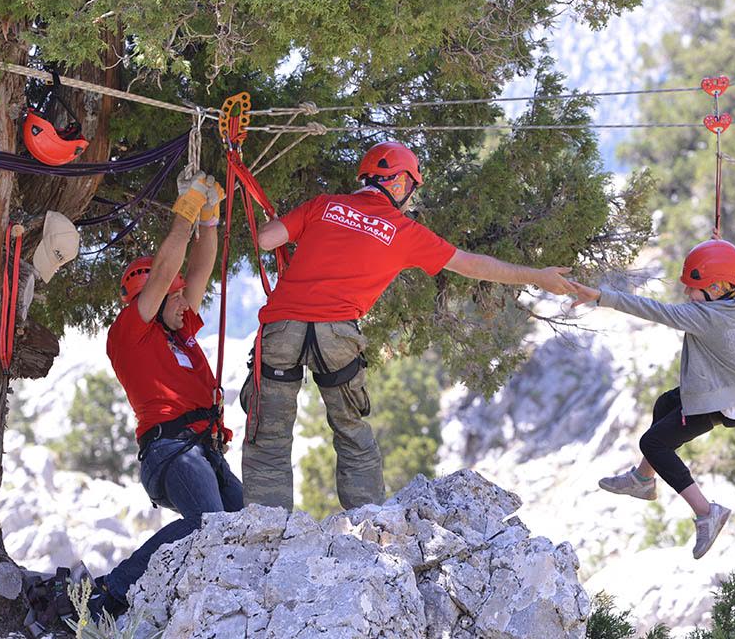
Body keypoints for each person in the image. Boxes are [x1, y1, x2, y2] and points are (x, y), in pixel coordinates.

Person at [243, 141, 578, 511]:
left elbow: (265, 239)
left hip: (280, 327)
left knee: (268, 435)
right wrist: (537, 276)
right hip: (336, 334)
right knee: (352, 432)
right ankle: (366, 523)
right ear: (400, 184)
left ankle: (265, 528)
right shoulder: (403, 231)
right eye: (411, 190)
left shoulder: (324, 205)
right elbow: (473, 265)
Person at [569, 239, 735, 559]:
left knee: (653, 443)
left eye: (694, 288)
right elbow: (722, 272)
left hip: (729, 400)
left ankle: (708, 512)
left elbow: (655, 310)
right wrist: (716, 250)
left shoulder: (706, 316)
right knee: (666, 405)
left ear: (718, 288)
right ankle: (642, 480)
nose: (687, 294)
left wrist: (600, 297)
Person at [94, 170, 237, 615]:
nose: (187, 303)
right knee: (206, 525)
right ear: (153, 302)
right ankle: (115, 592)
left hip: (201, 448)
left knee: (245, 525)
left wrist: (209, 221)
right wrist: (187, 209)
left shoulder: (179, 330)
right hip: (171, 451)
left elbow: (198, 269)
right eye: (176, 298)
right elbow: (167, 272)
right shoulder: (132, 334)